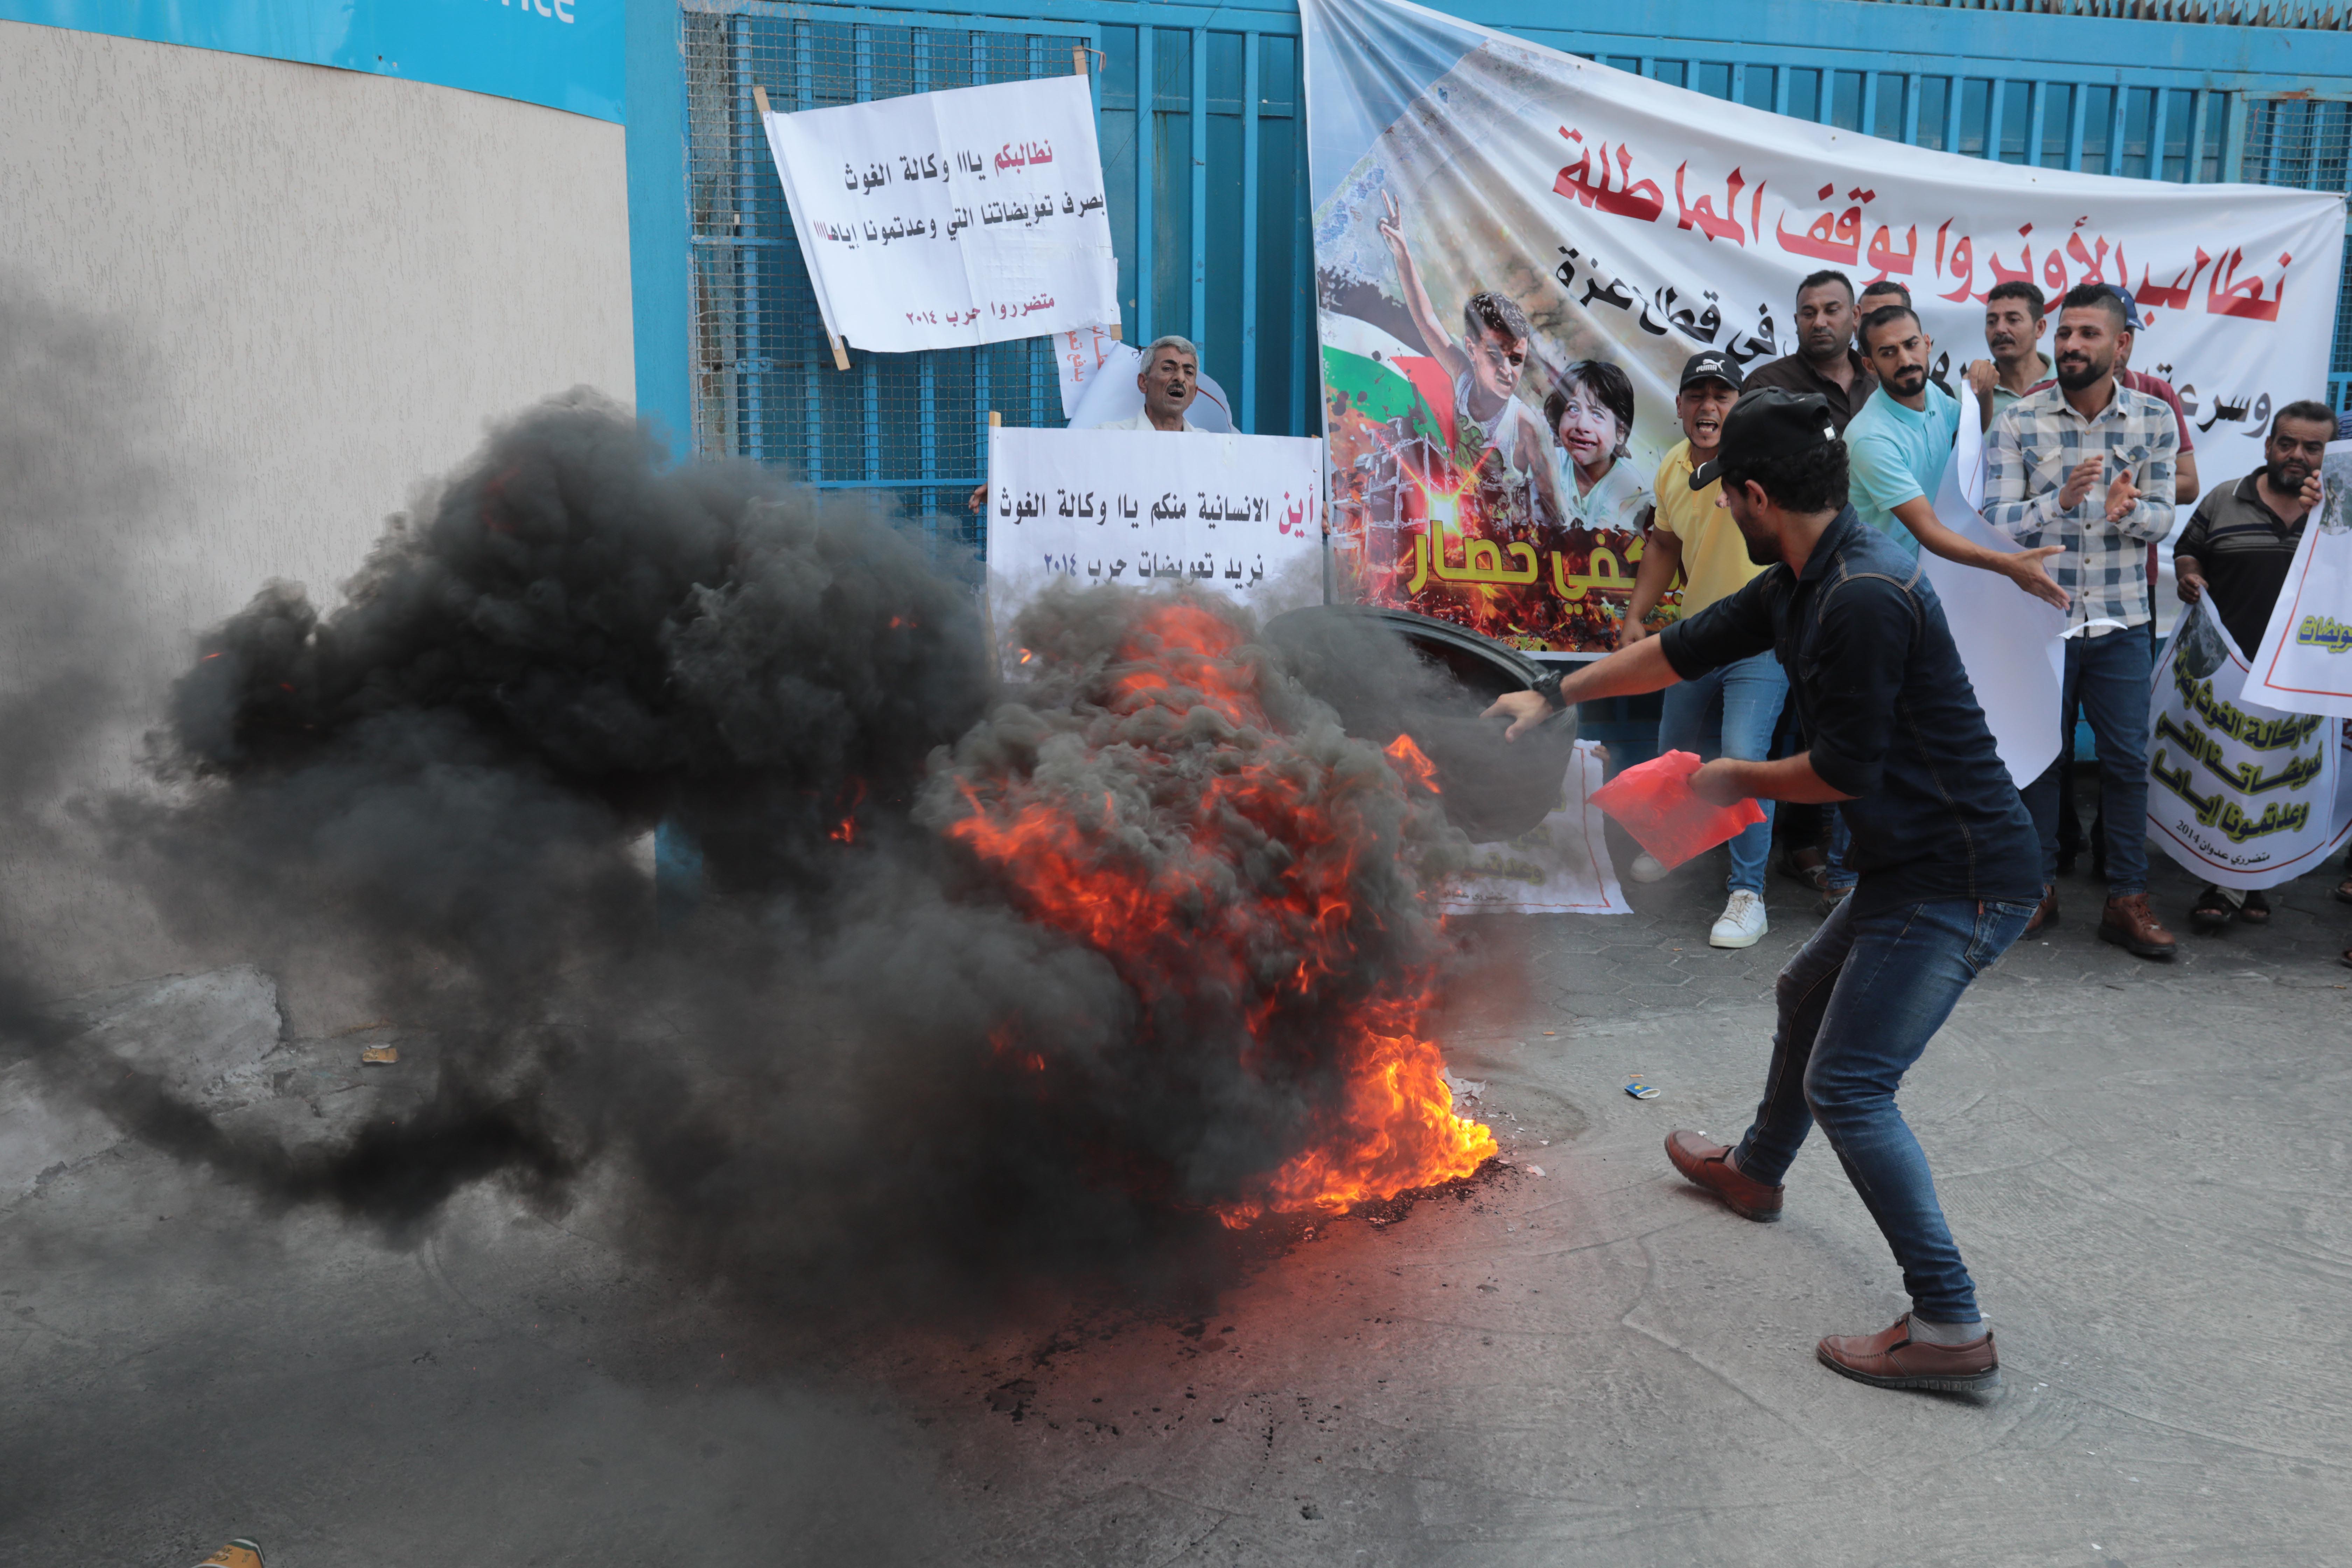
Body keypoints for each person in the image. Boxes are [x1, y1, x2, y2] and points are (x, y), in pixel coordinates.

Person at [1487, 388, 2041, 1393]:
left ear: (1753, 496)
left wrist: (1732, 778)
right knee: (1802, 996)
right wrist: (1553, 690)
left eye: (1724, 497)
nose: (1720, 511)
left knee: (1853, 1086)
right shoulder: (1801, 574)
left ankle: (1952, 1322)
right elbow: (1681, 647)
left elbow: (1844, 772)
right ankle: (1756, 1172)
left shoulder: (1864, 595)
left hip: (1962, 879)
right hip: (1910, 863)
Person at [1984, 282, 2180, 958]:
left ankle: (2126, 898)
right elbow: (1994, 518)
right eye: (2066, 333)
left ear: (2121, 345)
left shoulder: (2154, 419)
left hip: (2124, 621)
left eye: (2088, 334)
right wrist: (2059, 504)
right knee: (2042, 759)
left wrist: (2133, 513)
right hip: (2043, 620)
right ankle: (2035, 887)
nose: (2071, 345)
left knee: (2127, 761)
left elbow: (2166, 516)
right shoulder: (2020, 420)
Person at [1617, 352, 1783, 948]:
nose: (1708, 406)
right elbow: (1663, 544)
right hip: (1697, 637)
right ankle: (1673, 844)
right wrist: (1638, 615)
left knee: (1742, 759)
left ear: (1739, 405)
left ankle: (1748, 895)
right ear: (1682, 405)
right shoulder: (1672, 465)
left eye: (1722, 394)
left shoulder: (1764, 462)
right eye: (1697, 395)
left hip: (1762, 642)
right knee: (1674, 753)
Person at [2171, 400, 2333, 931]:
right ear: (2268, 446)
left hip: (2302, 676)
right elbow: (2188, 549)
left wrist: (2331, 516)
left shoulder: (2339, 513)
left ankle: (2249, 881)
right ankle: (2224, 882)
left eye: (2313, 448)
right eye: (2287, 443)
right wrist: (2190, 575)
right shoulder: (2225, 498)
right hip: (2229, 672)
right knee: (2226, 778)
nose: (2298, 456)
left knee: (2278, 782)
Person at [1847, 304, 2068, 605]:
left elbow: (1972, 431)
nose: (1906, 360)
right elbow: (1928, 530)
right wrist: (2008, 565)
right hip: (1886, 590)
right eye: (1888, 352)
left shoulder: (1933, 393)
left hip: (1940, 577)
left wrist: (1985, 391)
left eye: (1911, 345)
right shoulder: (1870, 437)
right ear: (1870, 365)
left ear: (1927, 344)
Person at [1376, 191, 1547, 531]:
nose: (1506, 370)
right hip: (1465, 523)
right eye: (1495, 356)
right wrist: (1403, 254)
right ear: (1471, 350)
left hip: (1512, 538)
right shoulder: (1463, 377)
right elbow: (1426, 321)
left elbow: (1552, 501)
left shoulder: (1524, 423)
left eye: (1516, 360)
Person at [1744, 270, 1878, 433]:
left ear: (1856, 315)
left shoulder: (1880, 381)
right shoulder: (1766, 385)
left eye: (1832, 310)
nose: (1819, 323)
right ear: (1797, 321)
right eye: (1809, 314)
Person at [1538, 359, 1651, 536]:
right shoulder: (1550, 458)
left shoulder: (1628, 487)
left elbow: (1591, 547)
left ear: (1621, 432)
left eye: (1597, 414)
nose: (1582, 425)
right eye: (1573, 409)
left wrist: (1549, 477)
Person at [1963, 280, 2056, 433]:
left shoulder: (2070, 386)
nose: (2000, 329)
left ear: (2040, 328)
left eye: (2013, 320)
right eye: (1992, 322)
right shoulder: (1966, 394)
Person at [1093, 335, 1207, 432]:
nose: (1180, 378)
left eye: (1188, 372)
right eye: (1168, 368)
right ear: (1143, 382)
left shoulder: (1212, 445)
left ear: (1195, 394)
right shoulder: (1107, 436)